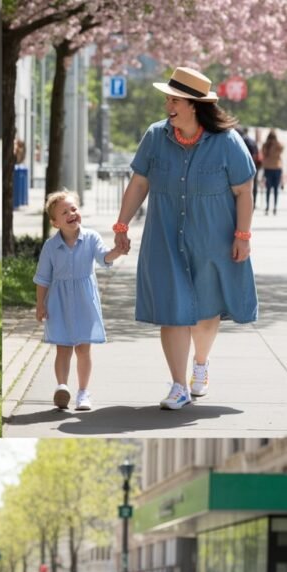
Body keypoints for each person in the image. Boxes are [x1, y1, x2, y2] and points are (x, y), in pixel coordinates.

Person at [112, 66, 257, 411]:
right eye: (167, 99)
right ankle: (178, 386)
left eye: (174, 100)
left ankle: (201, 363)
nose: (168, 106)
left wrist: (243, 235)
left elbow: (244, 191)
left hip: (212, 240)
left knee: (205, 314)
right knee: (172, 311)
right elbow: (139, 184)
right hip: (163, 238)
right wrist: (121, 226)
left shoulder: (226, 142)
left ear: (194, 104)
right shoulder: (155, 136)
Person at [34, 190, 124, 413]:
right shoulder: (50, 247)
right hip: (59, 303)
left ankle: (83, 392)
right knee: (63, 348)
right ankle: (62, 387)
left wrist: (116, 252)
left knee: (84, 349)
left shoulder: (91, 237)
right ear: (55, 223)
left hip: (84, 301)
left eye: (73, 208)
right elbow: (43, 278)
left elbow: (103, 258)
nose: (71, 213)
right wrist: (40, 304)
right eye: (64, 212)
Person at [261, 130, 284, 215]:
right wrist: (276, 141)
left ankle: (267, 207)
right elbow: (282, 148)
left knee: (268, 188)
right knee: (275, 189)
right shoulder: (277, 145)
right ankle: (275, 207)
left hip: (268, 168)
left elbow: (262, 153)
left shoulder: (265, 145)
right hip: (277, 168)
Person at [237, 126, 260, 208]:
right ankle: (253, 202)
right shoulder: (252, 141)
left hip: (241, 166)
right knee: (253, 185)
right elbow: (256, 154)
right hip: (253, 165)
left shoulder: (239, 140)